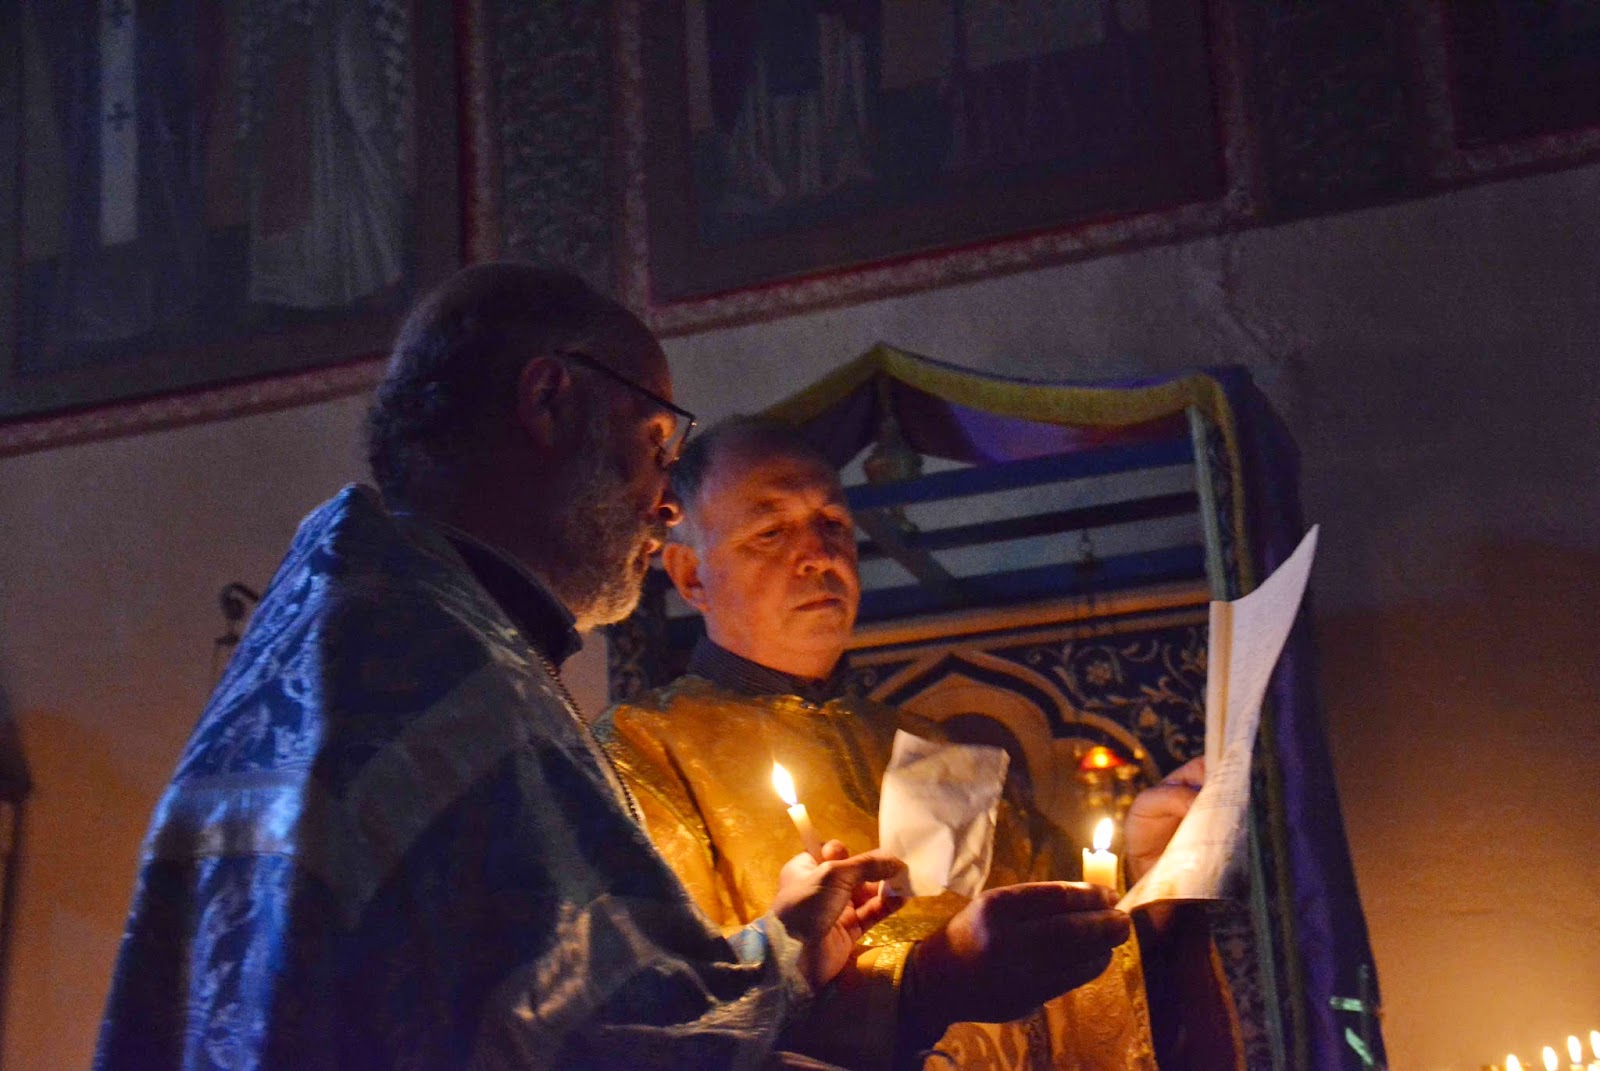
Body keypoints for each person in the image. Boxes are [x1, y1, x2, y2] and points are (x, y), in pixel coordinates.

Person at [94, 265, 1136, 1070]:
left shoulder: (360, 630)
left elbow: (574, 1005)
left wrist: (787, 947)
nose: (664, 497)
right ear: (549, 401)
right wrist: (931, 980)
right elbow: (612, 1051)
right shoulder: (440, 682)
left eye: (834, 525)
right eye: (653, 442)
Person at [598, 417, 1242, 1069]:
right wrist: (929, 975)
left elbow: (1067, 962)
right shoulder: (640, 755)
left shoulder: (927, 744)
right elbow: (663, 1019)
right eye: (770, 531)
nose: (818, 553)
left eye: (833, 522)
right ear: (690, 575)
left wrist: (1149, 879)